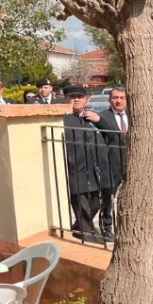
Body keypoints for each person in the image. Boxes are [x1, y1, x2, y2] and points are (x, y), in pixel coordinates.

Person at [61, 85, 104, 243]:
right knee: (81, 203)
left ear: (86, 99)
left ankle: (79, 227)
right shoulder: (63, 119)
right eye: (73, 97)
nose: (77, 99)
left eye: (80, 96)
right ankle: (87, 233)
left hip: (92, 169)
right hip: (73, 169)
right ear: (66, 99)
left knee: (95, 203)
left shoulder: (90, 118)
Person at [93, 87, 129, 242]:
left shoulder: (133, 116)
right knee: (108, 197)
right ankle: (106, 228)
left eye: (121, 97)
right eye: (115, 97)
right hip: (111, 164)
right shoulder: (103, 117)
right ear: (110, 100)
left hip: (131, 163)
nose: (118, 100)